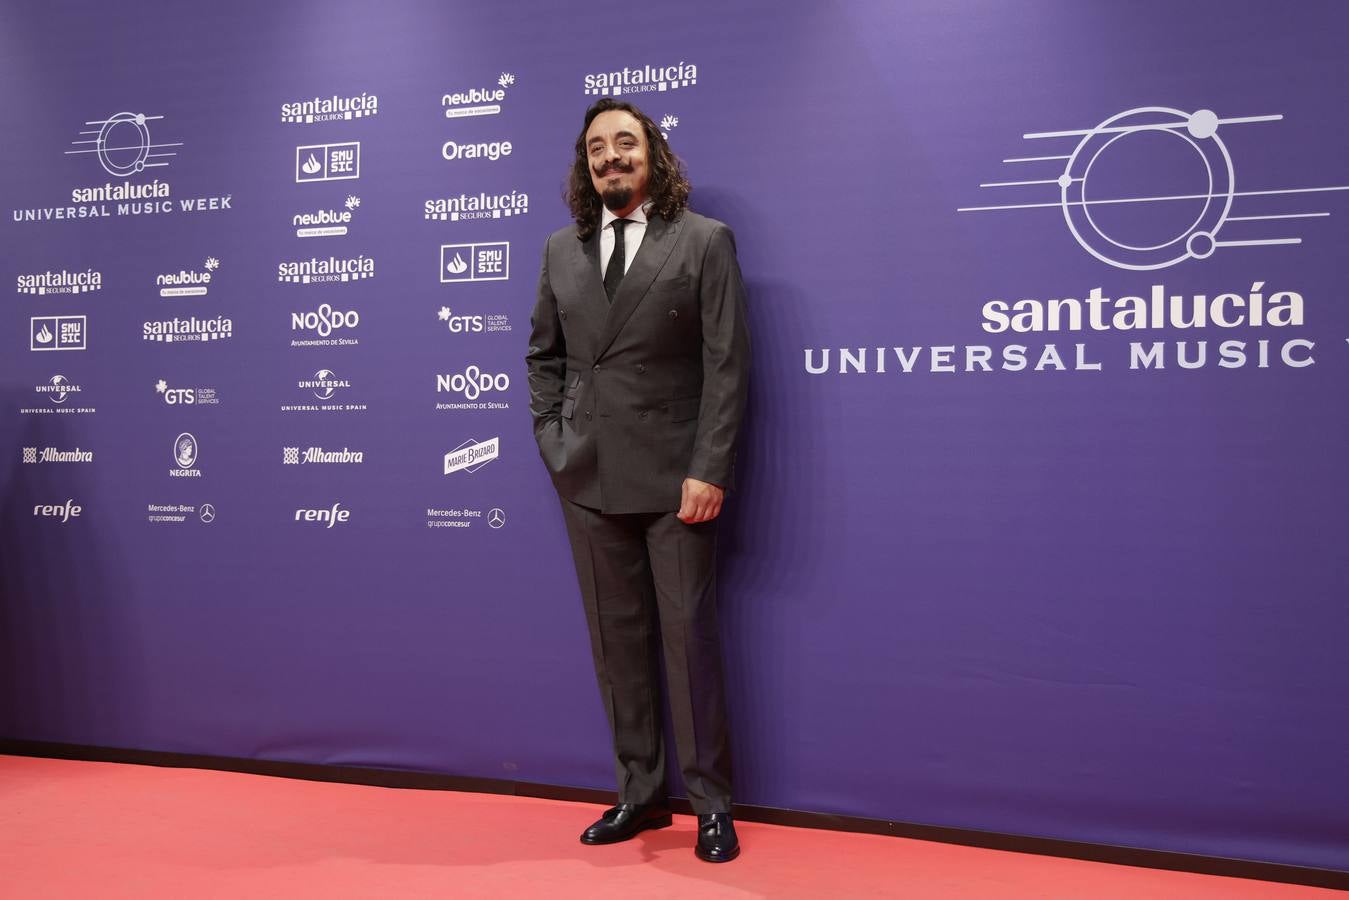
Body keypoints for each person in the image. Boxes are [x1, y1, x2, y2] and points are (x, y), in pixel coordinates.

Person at [525, 98, 751, 863]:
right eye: (597, 147)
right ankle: (638, 792)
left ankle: (711, 805)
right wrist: (554, 441)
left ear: (652, 154)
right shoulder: (561, 249)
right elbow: (543, 357)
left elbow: (726, 366)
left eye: (625, 142)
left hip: (676, 482)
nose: (610, 157)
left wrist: (708, 468)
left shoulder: (703, 242)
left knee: (689, 645)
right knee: (615, 646)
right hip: (588, 479)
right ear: (585, 166)